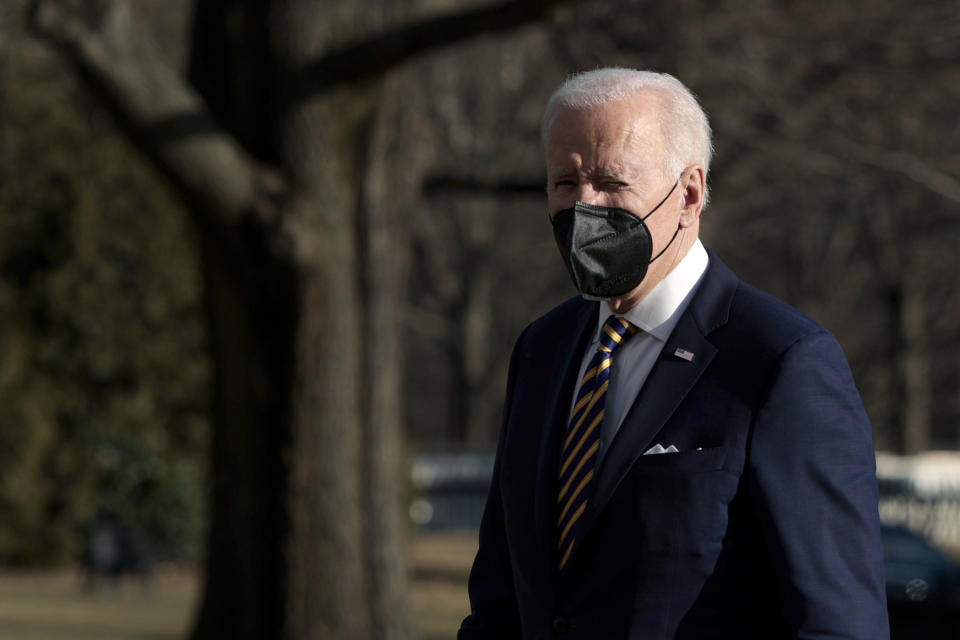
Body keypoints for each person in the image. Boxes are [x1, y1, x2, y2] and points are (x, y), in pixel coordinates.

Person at [458, 68, 888, 639]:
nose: (584, 207)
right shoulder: (544, 348)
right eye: (565, 182)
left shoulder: (781, 360)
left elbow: (838, 624)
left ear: (687, 194)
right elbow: (500, 600)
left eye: (612, 183)